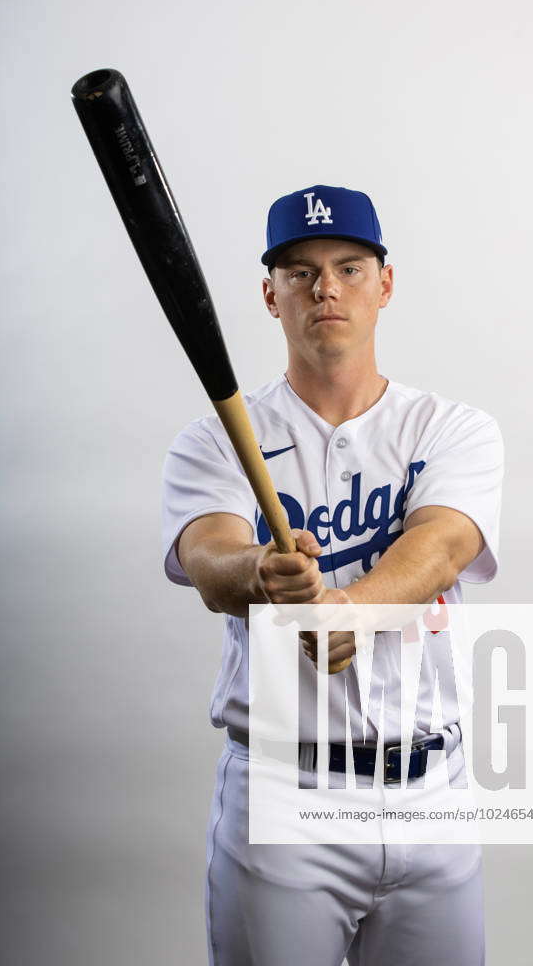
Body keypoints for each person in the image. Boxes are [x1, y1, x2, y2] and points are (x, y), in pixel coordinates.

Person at [161, 184, 504, 965]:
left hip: (432, 791)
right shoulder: (216, 441)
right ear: (269, 294)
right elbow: (208, 560)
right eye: (301, 270)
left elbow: (442, 544)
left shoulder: (450, 429)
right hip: (286, 796)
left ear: (384, 285)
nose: (326, 288)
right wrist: (261, 569)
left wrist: (344, 609)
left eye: (349, 267)